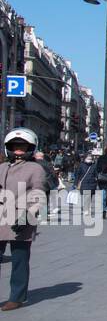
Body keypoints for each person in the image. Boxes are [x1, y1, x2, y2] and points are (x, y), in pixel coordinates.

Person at [0, 129, 52, 311]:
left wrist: (28, 215)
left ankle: (17, 296)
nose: (19, 150)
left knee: (19, 259)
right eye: (15, 146)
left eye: (22, 147)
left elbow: (39, 193)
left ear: (30, 148)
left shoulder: (35, 168)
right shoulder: (2, 167)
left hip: (21, 218)